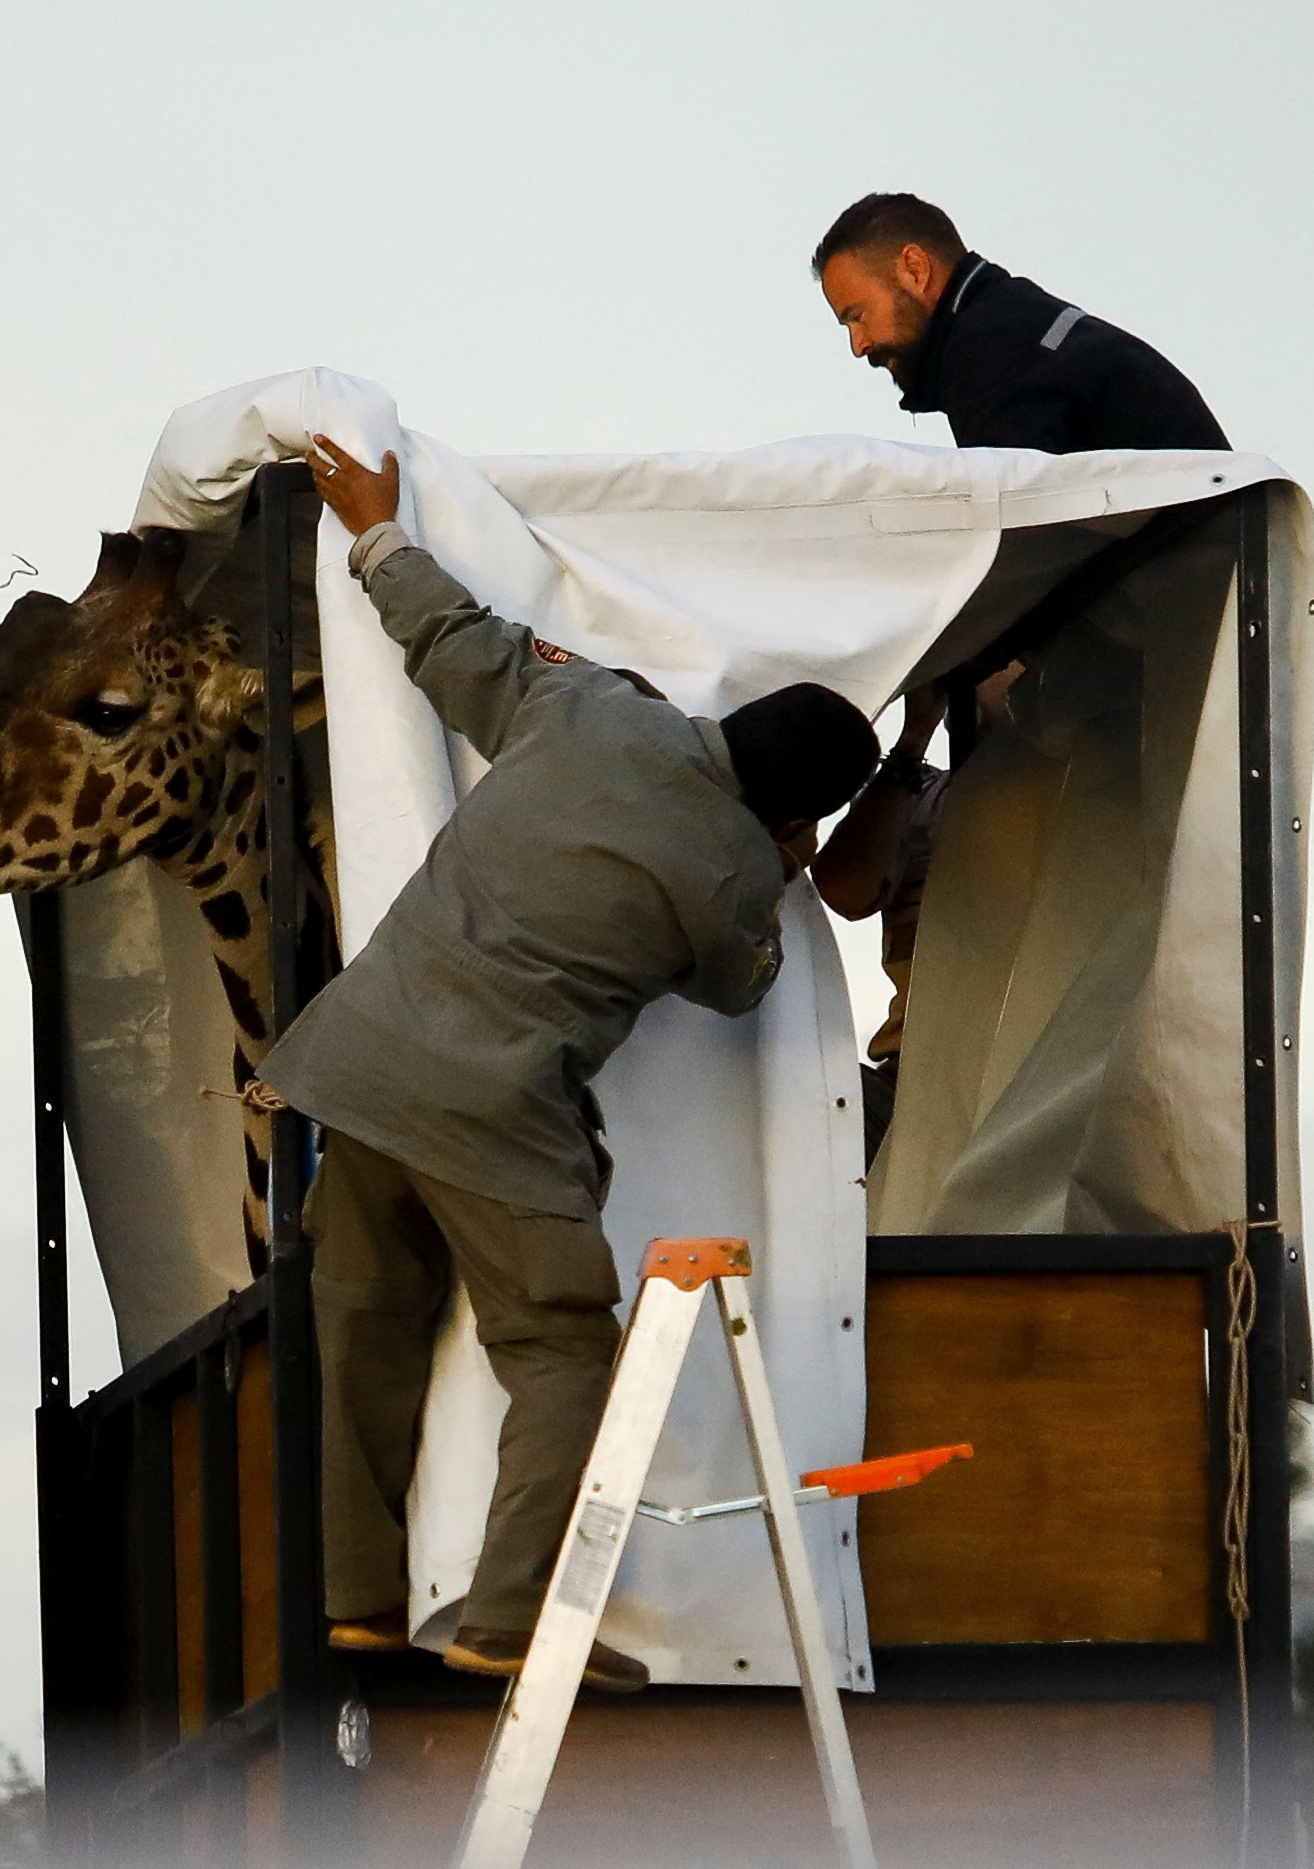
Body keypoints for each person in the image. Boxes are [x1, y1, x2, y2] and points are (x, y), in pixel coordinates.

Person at [261, 435, 880, 1693]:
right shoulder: (730, 877)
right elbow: (738, 986)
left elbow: (449, 640)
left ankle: (356, 1608)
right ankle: (506, 1622)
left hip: (356, 1065)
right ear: (793, 813)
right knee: (558, 1355)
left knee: (362, 1335)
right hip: (493, 1115)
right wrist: (783, 873)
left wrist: (375, 526)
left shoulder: (588, 705)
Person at [812, 192, 1228, 453]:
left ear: (915, 270)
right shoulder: (1018, 323)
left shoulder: (990, 348)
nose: (859, 345)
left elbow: (1014, 537)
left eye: (858, 316)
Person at [809, 665, 1022, 1161]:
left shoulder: (1094, 788)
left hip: (1036, 1060)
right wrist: (913, 738)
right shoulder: (918, 792)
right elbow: (844, 889)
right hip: (916, 1071)